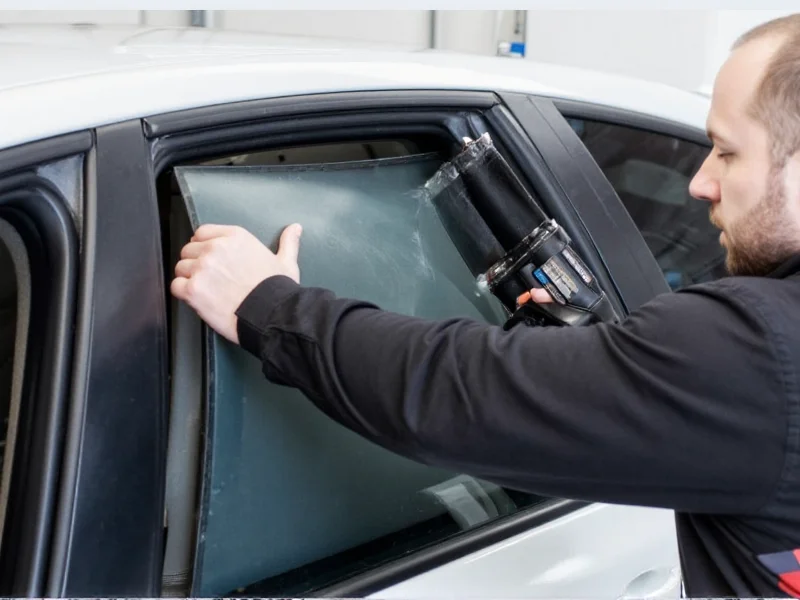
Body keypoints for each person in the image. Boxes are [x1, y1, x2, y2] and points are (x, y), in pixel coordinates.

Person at [171, 14, 800, 598]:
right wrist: (599, 359)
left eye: (727, 151)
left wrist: (269, 306)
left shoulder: (758, 349)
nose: (699, 182)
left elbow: (454, 391)